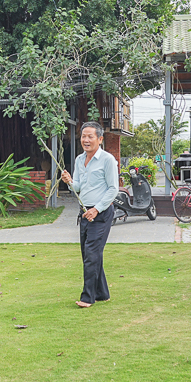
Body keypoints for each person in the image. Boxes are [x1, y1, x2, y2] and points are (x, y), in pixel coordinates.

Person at [60, 121, 119, 308]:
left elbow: (113, 189)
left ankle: (88, 297)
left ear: (99, 139)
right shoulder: (79, 160)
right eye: (83, 136)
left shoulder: (108, 160)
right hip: (84, 213)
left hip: (100, 214)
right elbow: (78, 187)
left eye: (90, 136)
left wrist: (96, 209)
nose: (86, 140)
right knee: (90, 254)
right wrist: (69, 181)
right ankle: (102, 293)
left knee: (91, 255)